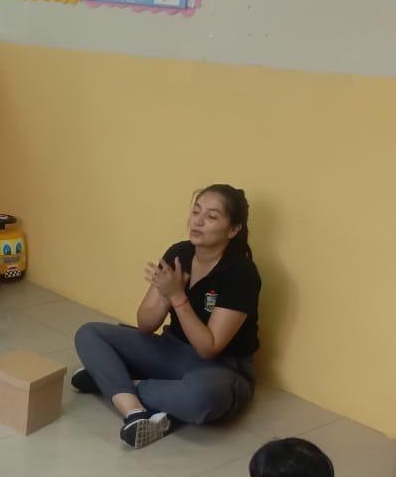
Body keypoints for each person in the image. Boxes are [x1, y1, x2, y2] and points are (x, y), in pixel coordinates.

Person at [73, 184, 261, 449]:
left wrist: (177, 296)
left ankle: (115, 382)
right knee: (89, 333)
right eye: (196, 211)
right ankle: (134, 411)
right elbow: (145, 324)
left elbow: (208, 348)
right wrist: (164, 296)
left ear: (233, 229)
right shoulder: (179, 253)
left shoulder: (241, 273)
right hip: (170, 350)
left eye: (211, 216)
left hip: (219, 368)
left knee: (202, 397)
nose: (198, 221)